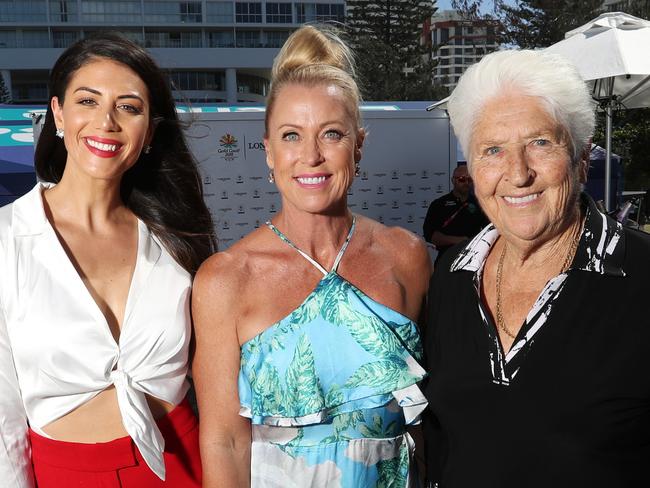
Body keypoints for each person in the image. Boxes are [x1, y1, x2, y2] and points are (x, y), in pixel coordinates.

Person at [193, 25, 431, 487]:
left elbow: (422, 423)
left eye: (332, 135)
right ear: (268, 153)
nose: (311, 156)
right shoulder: (225, 279)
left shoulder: (406, 256)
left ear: (358, 146)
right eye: (291, 136)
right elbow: (224, 440)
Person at [424, 49, 650, 487]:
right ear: (472, 169)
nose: (518, 172)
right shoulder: (452, 274)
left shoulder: (641, 275)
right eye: (492, 150)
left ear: (582, 157)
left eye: (540, 143)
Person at [0, 33, 215, 486]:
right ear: (58, 112)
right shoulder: (6, 239)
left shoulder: (176, 236)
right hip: (66, 472)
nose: (106, 122)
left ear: (150, 131)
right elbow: (3, 419)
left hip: (182, 462)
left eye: (129, 107)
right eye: (88, 101)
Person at [422, 164, 487, 263]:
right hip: (446, 259)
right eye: (461, 179)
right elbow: (430, 235)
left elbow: (488, 231)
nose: (466, 183)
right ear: (453, 180)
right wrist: (458, 240)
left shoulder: (480, 204)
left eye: (469, 180)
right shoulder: (439, 204)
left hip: (473, 260)